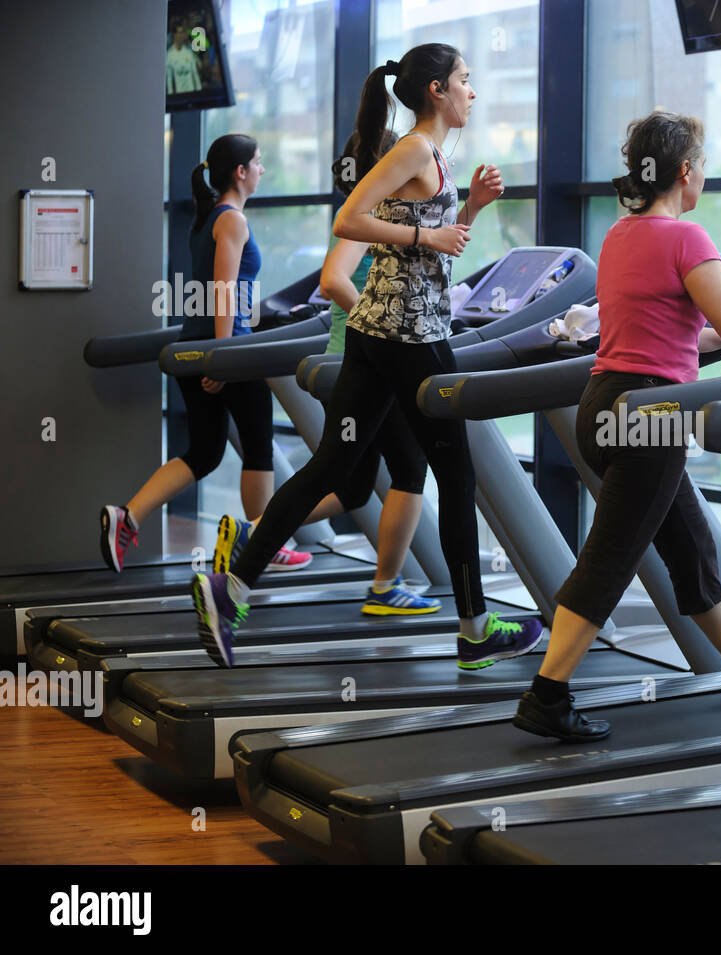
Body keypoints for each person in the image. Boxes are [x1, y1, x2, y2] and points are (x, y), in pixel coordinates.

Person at [192, 44, 542, 669]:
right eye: (465, 80)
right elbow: (350, 221)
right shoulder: (413, 149)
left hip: (378, 334)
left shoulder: (433, 155)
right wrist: (427, 232)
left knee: (334, 466)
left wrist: (471, 209)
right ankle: (474, 629)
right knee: (455, 477)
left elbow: (433, 250)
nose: (472, 91)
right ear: (436, 89)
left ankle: (232, 587)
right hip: (410, 338)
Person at [510, 110, 721, 743]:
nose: (704, 174)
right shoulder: (687, 240)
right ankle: (547, 695)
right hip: (650, 419)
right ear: (685, 171)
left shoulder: (620, 236)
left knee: (689, 546)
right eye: (703, 164)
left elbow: (700, 334)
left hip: (604, 406)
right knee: (609, 559)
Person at [210, 129, 441, 616]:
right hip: (361, 363)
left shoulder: (384, 215)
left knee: (352, 483)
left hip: (353, 361)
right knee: (404, 469)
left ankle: (254, 536)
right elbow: (333, 280)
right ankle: (384, 587)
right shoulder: (372, 216)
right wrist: (380, 324)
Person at [101, 134, 311, 574]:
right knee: (259, 445)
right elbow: (223, 291)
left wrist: (213, 352)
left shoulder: (207, 218)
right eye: (258, 162)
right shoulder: (232, 220)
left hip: (195, 347)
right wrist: (223, 357)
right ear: (240, 172)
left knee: (204, 452)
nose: (262, 170)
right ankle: (262, 544)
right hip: (226, 349)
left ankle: (128, 516)